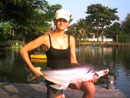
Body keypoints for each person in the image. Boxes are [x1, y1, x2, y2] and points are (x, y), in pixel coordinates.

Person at [20, 9, 96, 98]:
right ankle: (60, 94)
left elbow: (74, 61)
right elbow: (23, 50)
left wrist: (87, 75)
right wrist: (33, 68)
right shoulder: (45, 38)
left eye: (65, 21)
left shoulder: (71, 39)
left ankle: (62, 93)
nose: (62, 23)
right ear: (55, 21)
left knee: (90, 88)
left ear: (68, 23)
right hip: (53, 79)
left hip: (71, 77)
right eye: (59, 20)